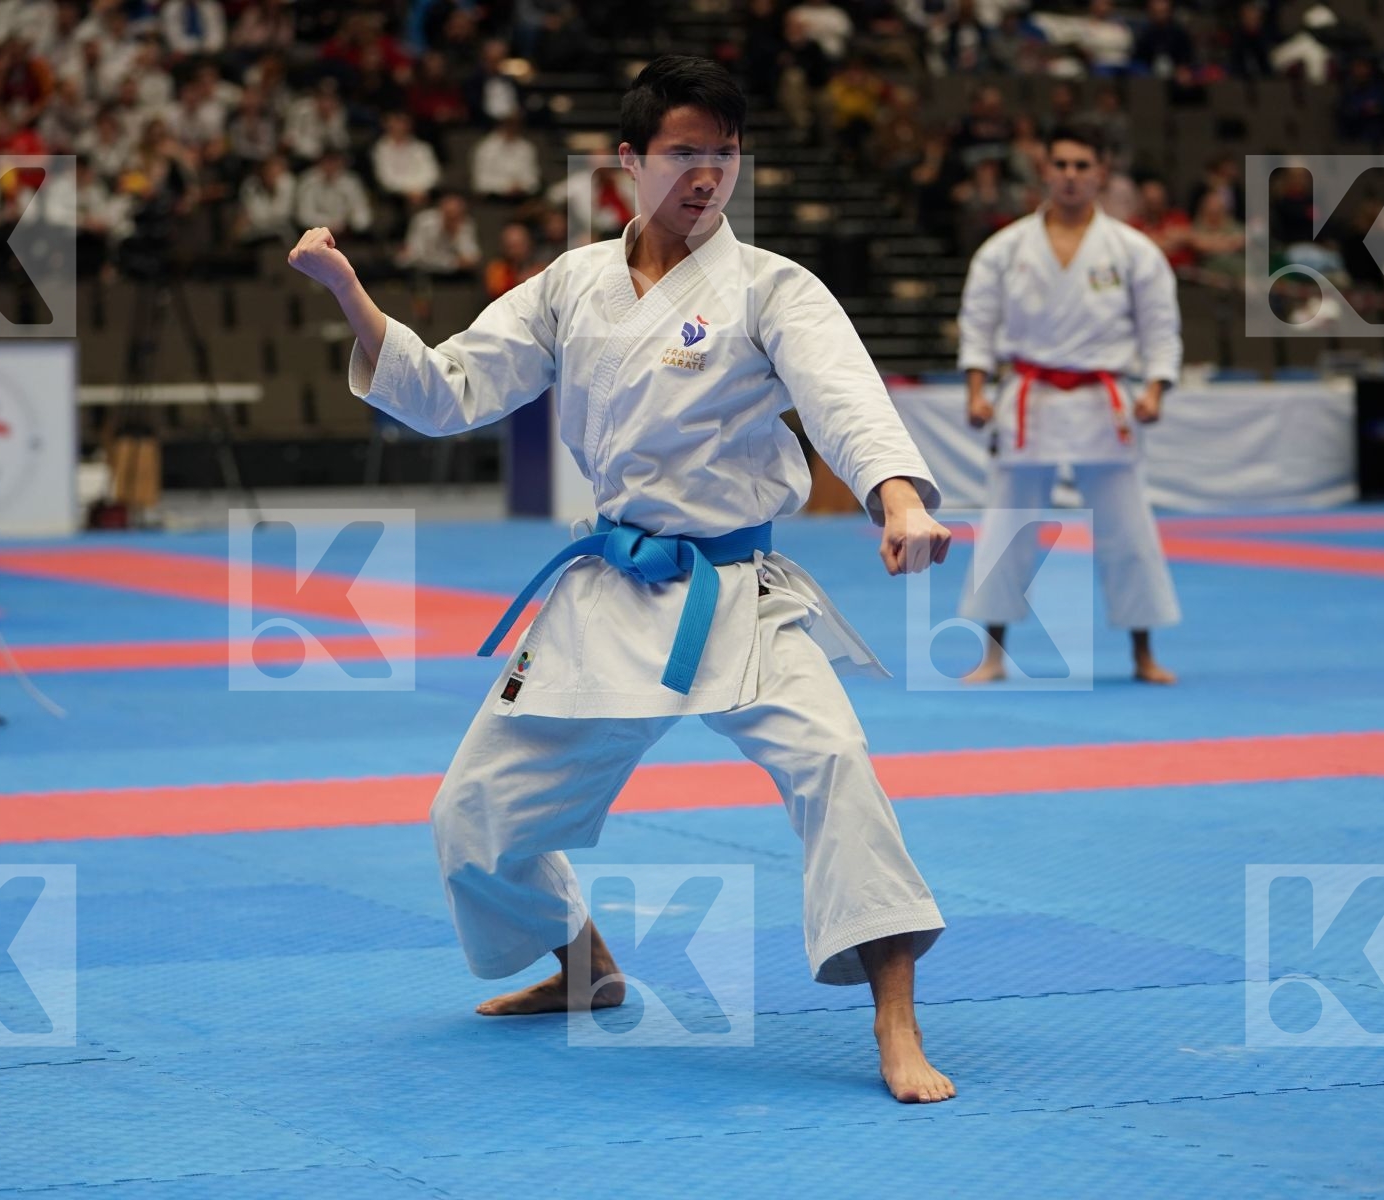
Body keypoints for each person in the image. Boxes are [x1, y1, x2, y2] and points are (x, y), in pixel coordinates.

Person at [288, 55, 957, 1104]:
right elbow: (454, 387)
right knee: (474, 814)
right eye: (685, 154)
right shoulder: (574, 285)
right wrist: (353, 298)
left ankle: (897, 1020)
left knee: (835, 764)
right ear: (629, 161)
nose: (707, 176)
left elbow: (846, 399)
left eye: (725, 156)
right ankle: (584, 967)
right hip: (608, 588)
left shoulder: (771, 287)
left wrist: (899, 498)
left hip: (735, 591)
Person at [956, 124, 1182, 685]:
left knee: (1128, 529)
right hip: (1029, 398)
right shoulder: (1004, 249)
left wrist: (1155, 387)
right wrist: (977, 389)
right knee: (1007, 524)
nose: (1072, 175)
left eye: (1083, 165)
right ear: (1045, 170)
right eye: (1062, 164)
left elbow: (1160, 326)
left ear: (1102, 172)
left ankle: (1143, 653)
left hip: (1102, 400)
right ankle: (991, 654)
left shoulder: (1132, 250)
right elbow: (977, 324)